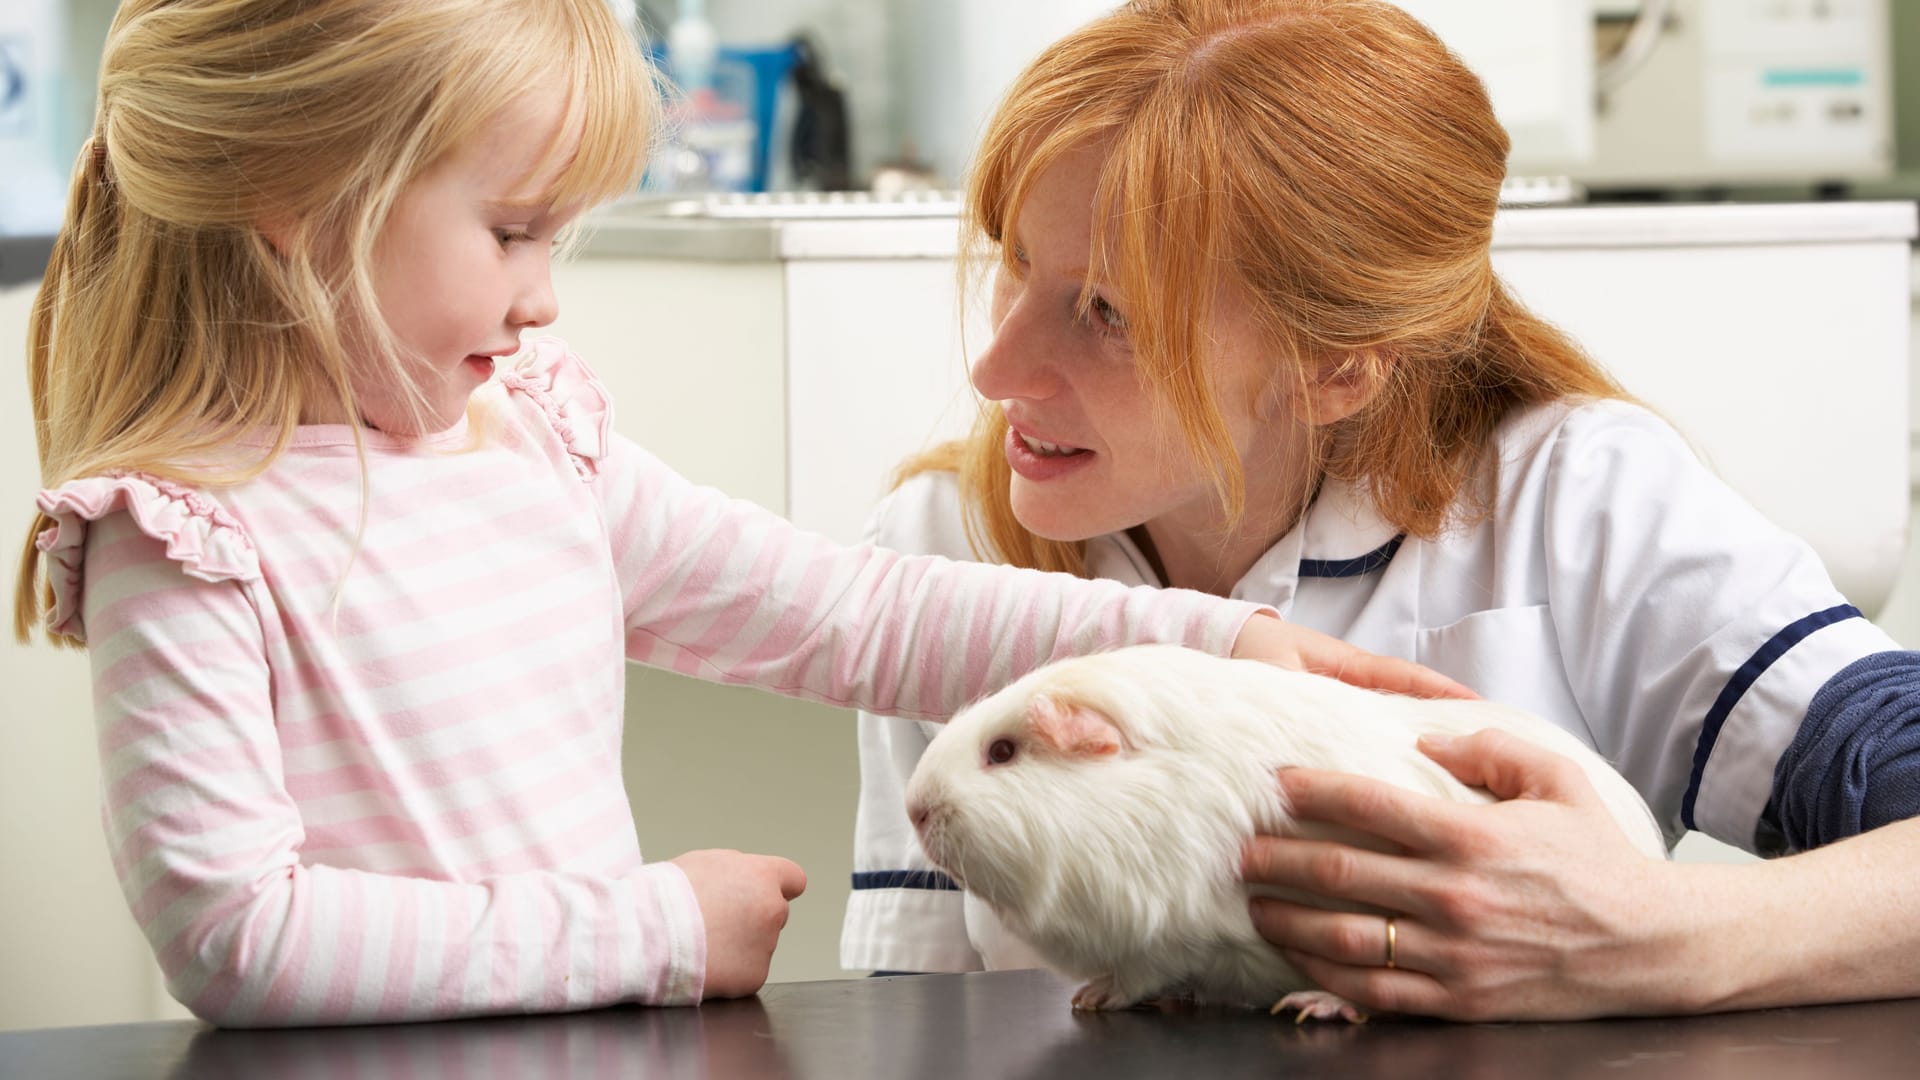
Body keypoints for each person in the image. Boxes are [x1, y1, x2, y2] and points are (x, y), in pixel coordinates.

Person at [10, 0, 1458, 1029]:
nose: (544, 293)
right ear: (297, 200)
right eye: (512, 231)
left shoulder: (534, 446)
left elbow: (852, 613)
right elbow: (237, 937)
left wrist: (1203, 643)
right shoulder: (185, 538)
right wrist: (650, 928)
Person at [843, 0, 1920, 1019]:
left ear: (1338, 370)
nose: (994, 371)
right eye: (1014, 265)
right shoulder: (947, 534)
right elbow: (923, 1014)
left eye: (1107, 314)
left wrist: (1655, 934)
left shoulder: (1576, 499)